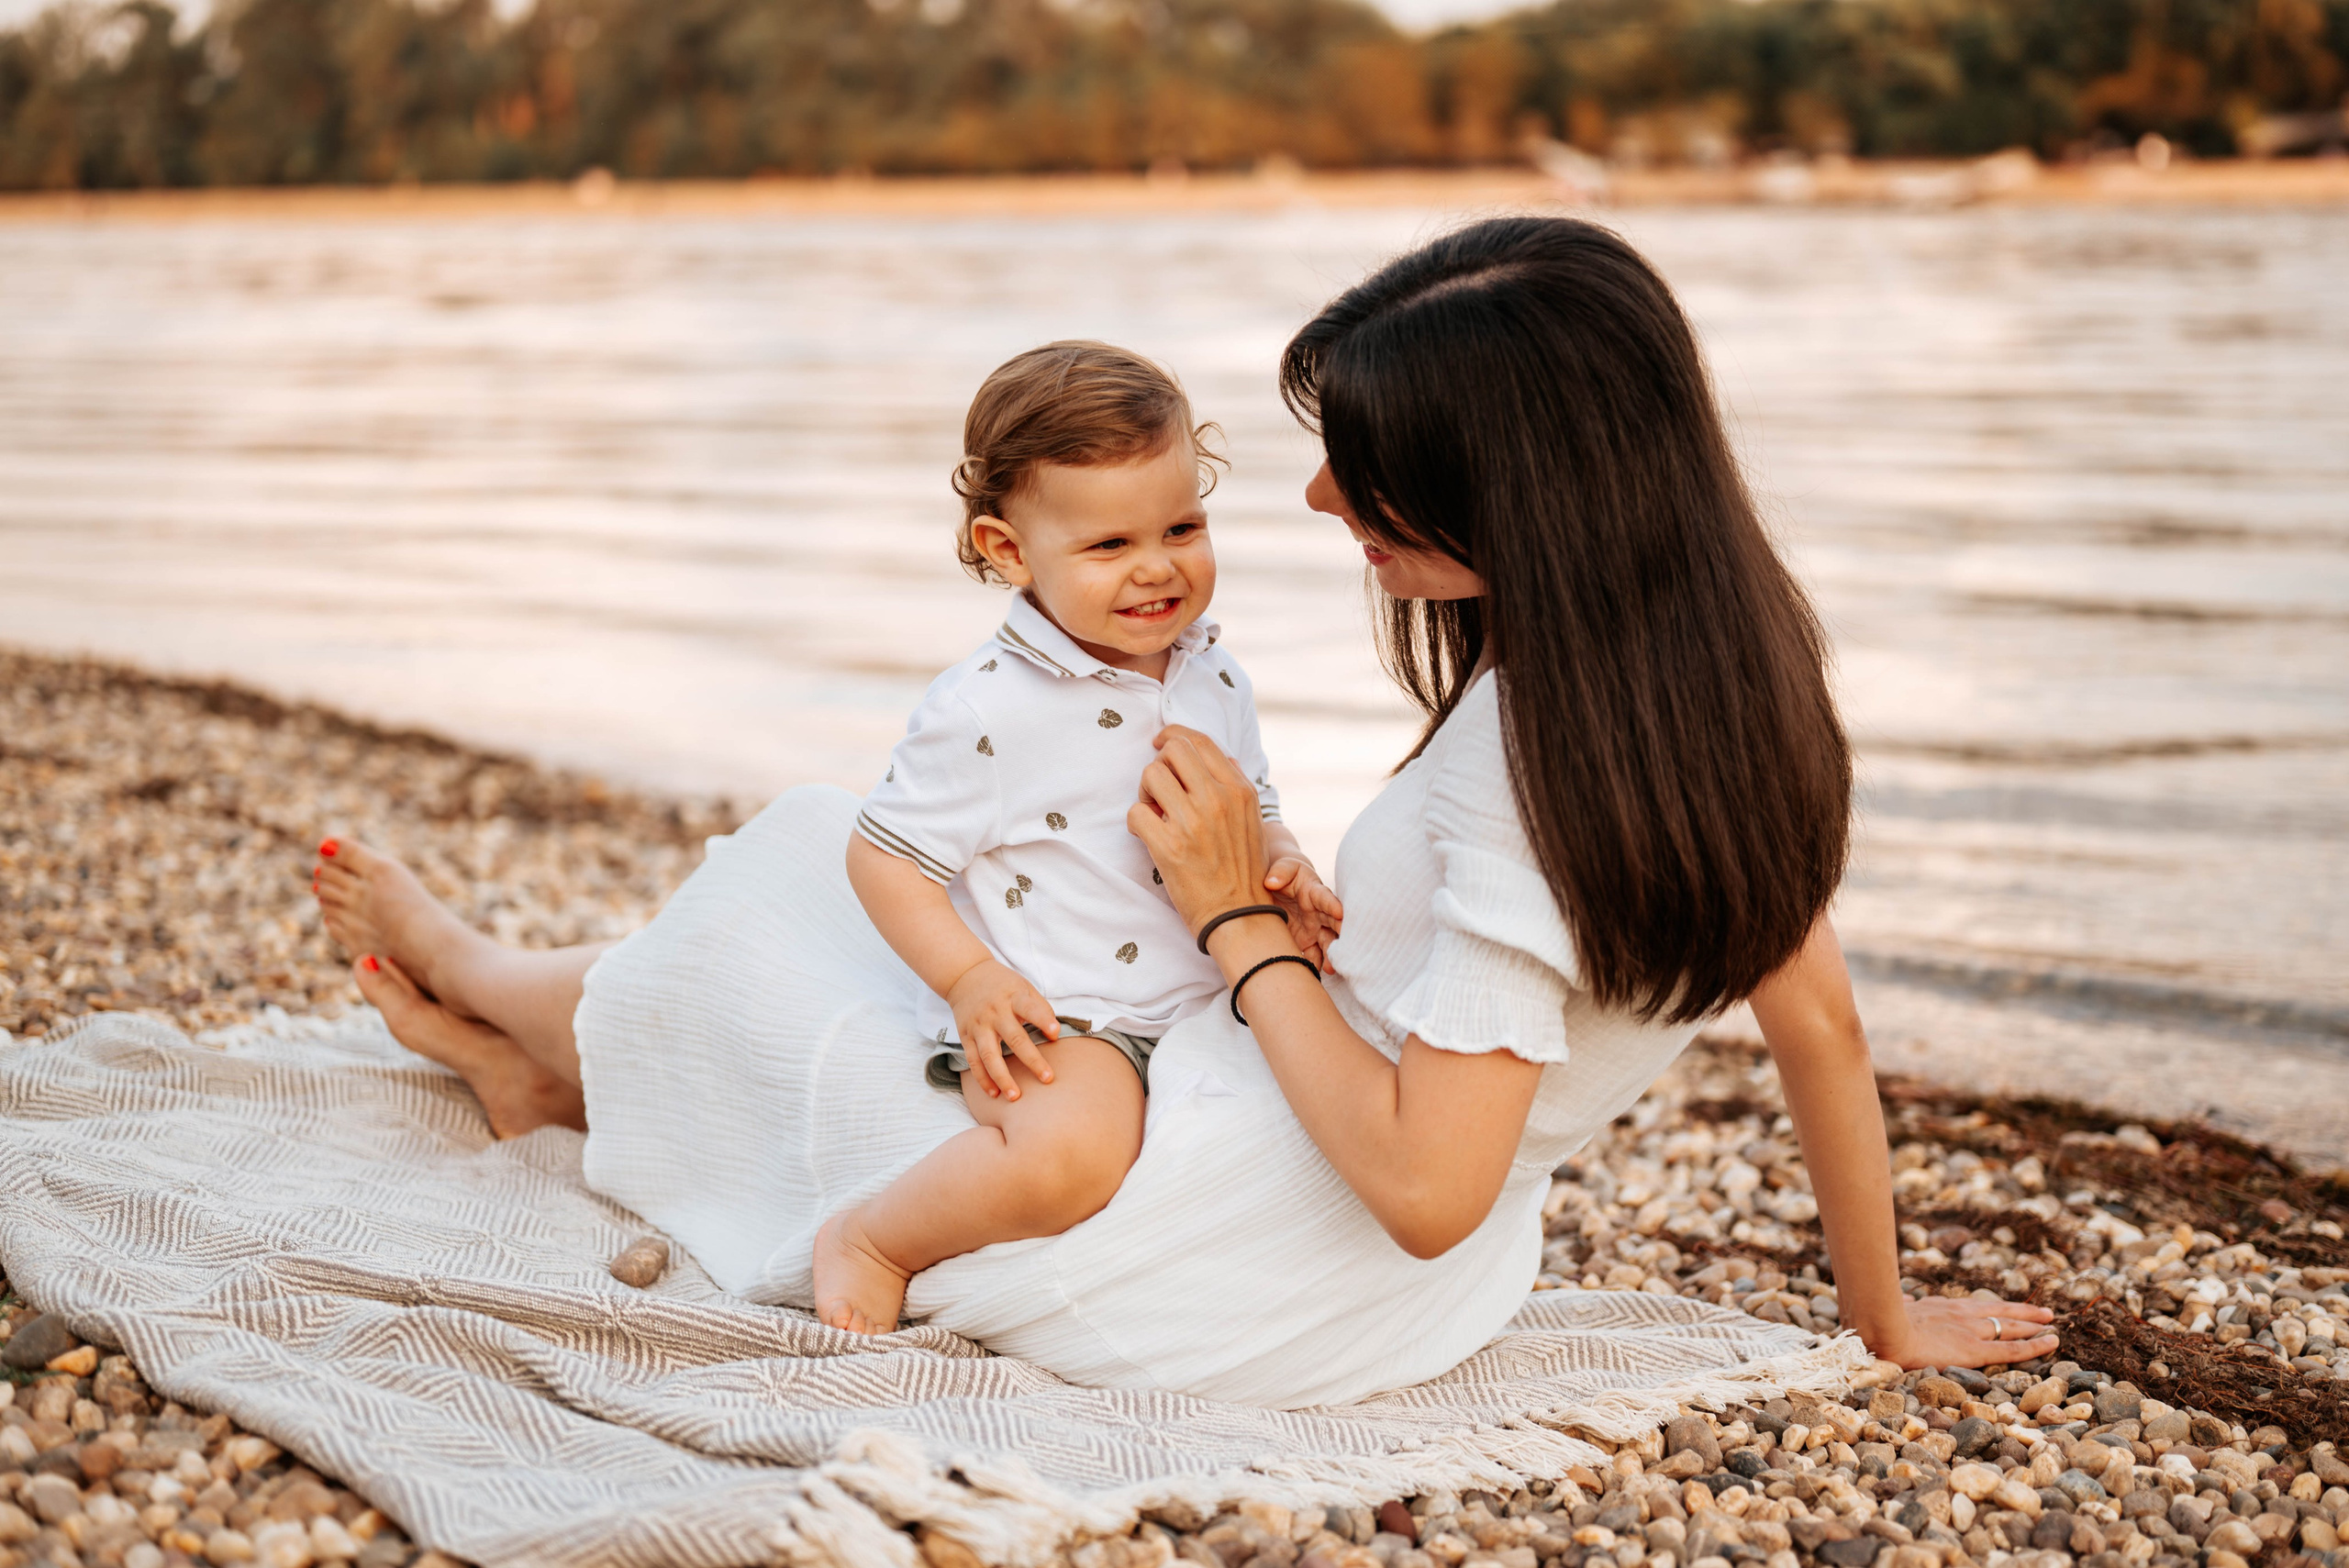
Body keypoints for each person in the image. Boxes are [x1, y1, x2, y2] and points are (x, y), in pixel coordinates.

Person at [310, 216, 2055, 1408]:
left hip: (1246, 1226)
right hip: (1273, 1113)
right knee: (862, 902)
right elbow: (1818, 1020)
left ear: (1513, 487)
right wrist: (1880, 1314)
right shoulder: (1718, 677)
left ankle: (486, 966)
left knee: (796, 905)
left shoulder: (1543, 778)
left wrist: (1230, 915)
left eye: (1361, 460)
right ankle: (540, 1055)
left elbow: (1424, 1188)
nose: (1308, 493)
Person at [817, 341, 1341, 1333]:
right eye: (1108, 547)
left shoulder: (1213, 673)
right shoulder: (987, 708)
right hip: (1079, 1014)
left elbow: (1251, 802)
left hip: (1215, 990)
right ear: (1009, 550)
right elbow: (885, 855)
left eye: (1182, 526)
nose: (1158, 567)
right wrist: (969, 978)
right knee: (1074, 1156)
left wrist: (1286, 861)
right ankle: (876, 1236)